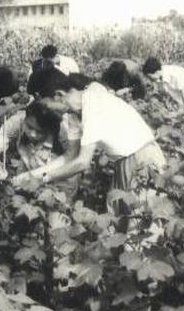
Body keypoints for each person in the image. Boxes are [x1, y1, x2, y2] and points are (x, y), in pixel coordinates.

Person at [13, 68, 166, 225]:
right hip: (122, 162)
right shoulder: (73, 117)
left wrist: (44, 178)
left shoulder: (93, 101)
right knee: (115, 223)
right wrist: (30, 176)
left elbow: (82, 162)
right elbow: (69, 156)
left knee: (140, 223)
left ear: (58, 95)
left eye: (47, 106)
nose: (47, 112)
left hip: (143, 159)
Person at [0, 100, 81, 196]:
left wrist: (36, 176)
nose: (33, 134)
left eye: (40, 131)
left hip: (60, 183)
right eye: (29, 127)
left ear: (50, 130)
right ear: (25, 118)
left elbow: (74, 161)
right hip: (27, 178)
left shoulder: (65, 132)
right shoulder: (17, 122)